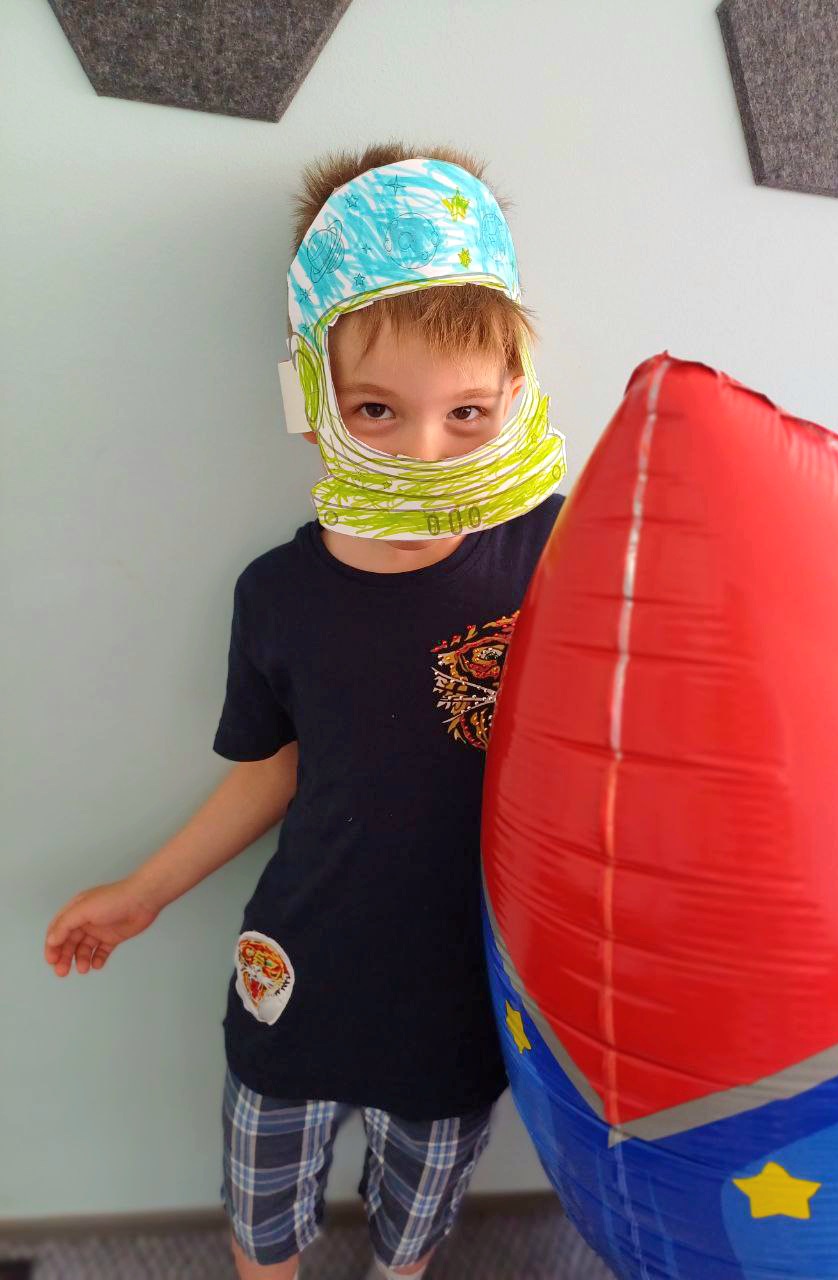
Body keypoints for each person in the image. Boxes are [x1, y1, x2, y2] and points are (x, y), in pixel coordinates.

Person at [44, 142, 566, 1280]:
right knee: (261, 1212)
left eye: (467, 413)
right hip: (296, 980)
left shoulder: (553, 555)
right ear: (311, 398)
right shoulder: (279, 594)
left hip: (459, 1003)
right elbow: (269, 769)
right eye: (377, 409)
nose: (422, 451)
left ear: (516, 397)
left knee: (414, 1229)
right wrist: (143, 892)